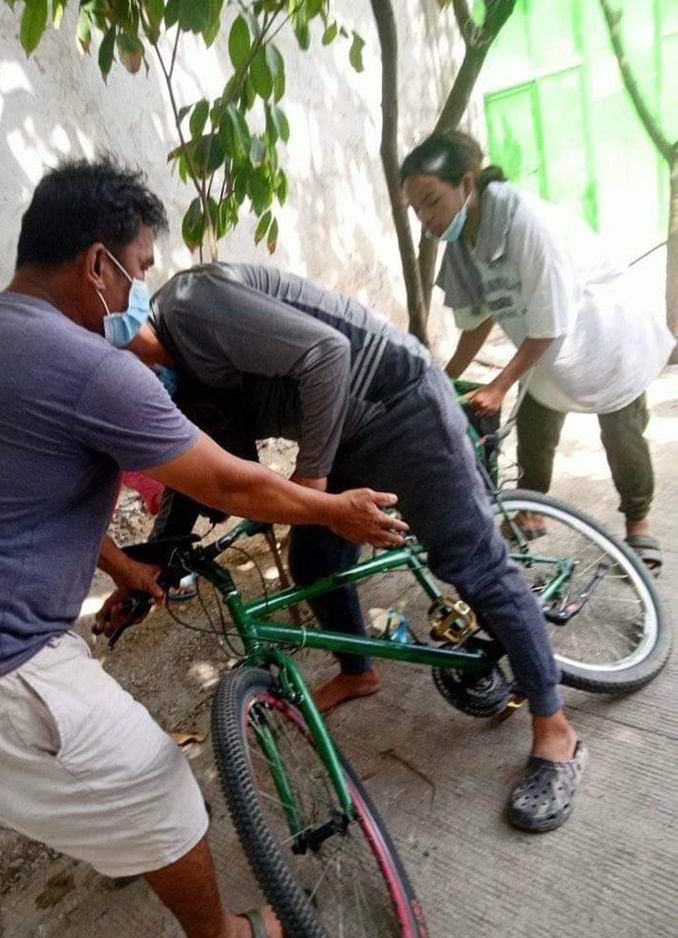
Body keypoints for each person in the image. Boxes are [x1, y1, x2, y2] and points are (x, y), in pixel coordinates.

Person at [0, 157, 407, 938]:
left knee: (67, 780)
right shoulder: (86, 364)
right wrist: (333, 509)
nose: (141, 294)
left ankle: (114, 838)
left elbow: (10, 494)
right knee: (161, 787)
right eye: (140, 269)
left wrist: (123, 565)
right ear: (96, 263)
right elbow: (224, 481)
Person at [94, 260, 588, 834]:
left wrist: (312, 487)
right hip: (340, 439)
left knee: (474, 567)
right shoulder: (170, 384)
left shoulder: (193, 304)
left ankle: (555, 729)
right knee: (315, 561)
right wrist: (147, 568)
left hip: (399, 406)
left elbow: (326, 353)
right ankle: (359, 672)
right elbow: (203, 473)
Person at [400, 129, 674, 575]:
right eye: (416, 209)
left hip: (602, 333)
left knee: (622, 434)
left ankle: (638, 523)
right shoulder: (463, 240)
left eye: (431, 201)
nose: (425, 217)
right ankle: (533, 509)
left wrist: (500, 382)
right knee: (534, 429)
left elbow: (553, 320)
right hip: (545, 342)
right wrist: (444, 377)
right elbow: (478, 318)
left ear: (466, 184)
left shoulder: (526, 224)